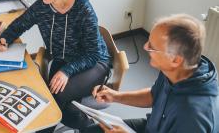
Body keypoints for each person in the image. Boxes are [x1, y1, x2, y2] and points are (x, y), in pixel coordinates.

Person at [0, 0, 111, 131]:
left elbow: (93, 54)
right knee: (49, 97)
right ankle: (91, 128)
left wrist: (67, 71)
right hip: (62, 60)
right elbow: (21, 23)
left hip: (93, 63)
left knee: (56, 97)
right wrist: (5, 39)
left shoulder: (83, 9)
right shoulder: (42, 6)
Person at [89, 14, 219, 133]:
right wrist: (115, 96)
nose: (145, 47)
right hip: (154, 127)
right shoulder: (174, 70)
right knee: (92, 131)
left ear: (175, 59)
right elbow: (154, 95)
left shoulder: (193, 116)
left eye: (152, 47)